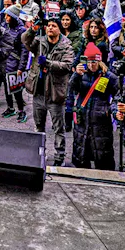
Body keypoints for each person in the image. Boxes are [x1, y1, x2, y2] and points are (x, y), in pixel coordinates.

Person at [30, 17, 75, 166]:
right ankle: (39, 153)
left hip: (55, 94)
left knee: (58, 128)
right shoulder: (40, 41)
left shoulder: (66, 45)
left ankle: (59, 156)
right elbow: (25, 41)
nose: (50, 28)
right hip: (38, 92)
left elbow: (67, 65)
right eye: (48, 25)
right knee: (39, 126)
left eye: (53, 26)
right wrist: (32, 29)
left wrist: (48, 63)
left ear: (59, 28)